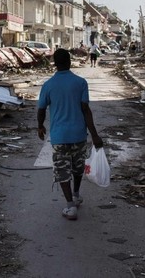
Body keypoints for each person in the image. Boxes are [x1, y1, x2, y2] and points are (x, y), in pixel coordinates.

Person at [37, 48, 104, 220]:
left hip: (59, 136)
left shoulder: (48, 85)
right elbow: (86, 110)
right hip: (78, 135)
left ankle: (70, 206)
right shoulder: (80, 83)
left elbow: (41, 109)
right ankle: (76, 194)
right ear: (69, 62)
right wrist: (94, 135)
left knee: (62, 170)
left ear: (55, 64)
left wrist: (40, 126)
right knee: (77, 167)